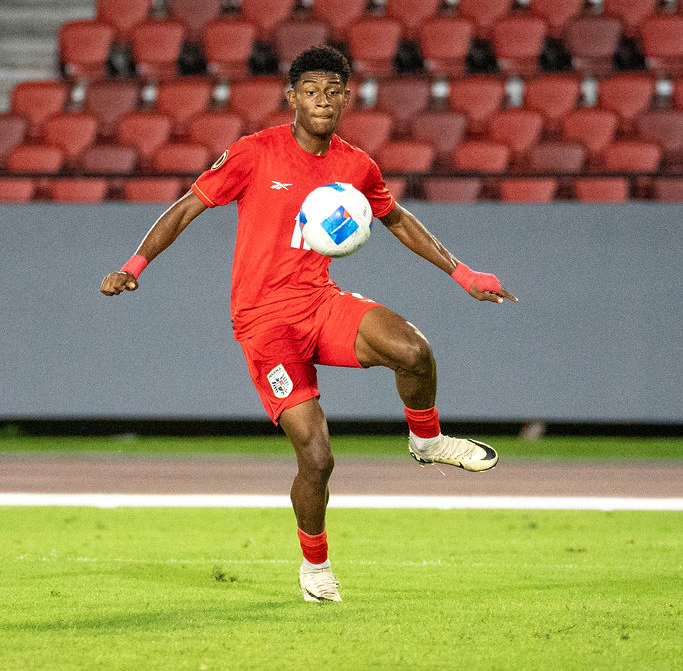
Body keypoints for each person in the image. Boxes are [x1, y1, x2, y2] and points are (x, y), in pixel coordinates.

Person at [101, 45, 516, 604]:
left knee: (413, 351)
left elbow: (399, 220)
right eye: (311, 91)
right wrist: (133, 266)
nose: (322, 100)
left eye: (333, 91)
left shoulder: (356, 165)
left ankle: (426, 439)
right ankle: (315, 568)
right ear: (292, 98)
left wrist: (464, 274)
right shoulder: (255, 153)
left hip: (319, 303)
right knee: (317, 457)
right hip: (264, 325)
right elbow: (185, 208)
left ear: (347, 98)